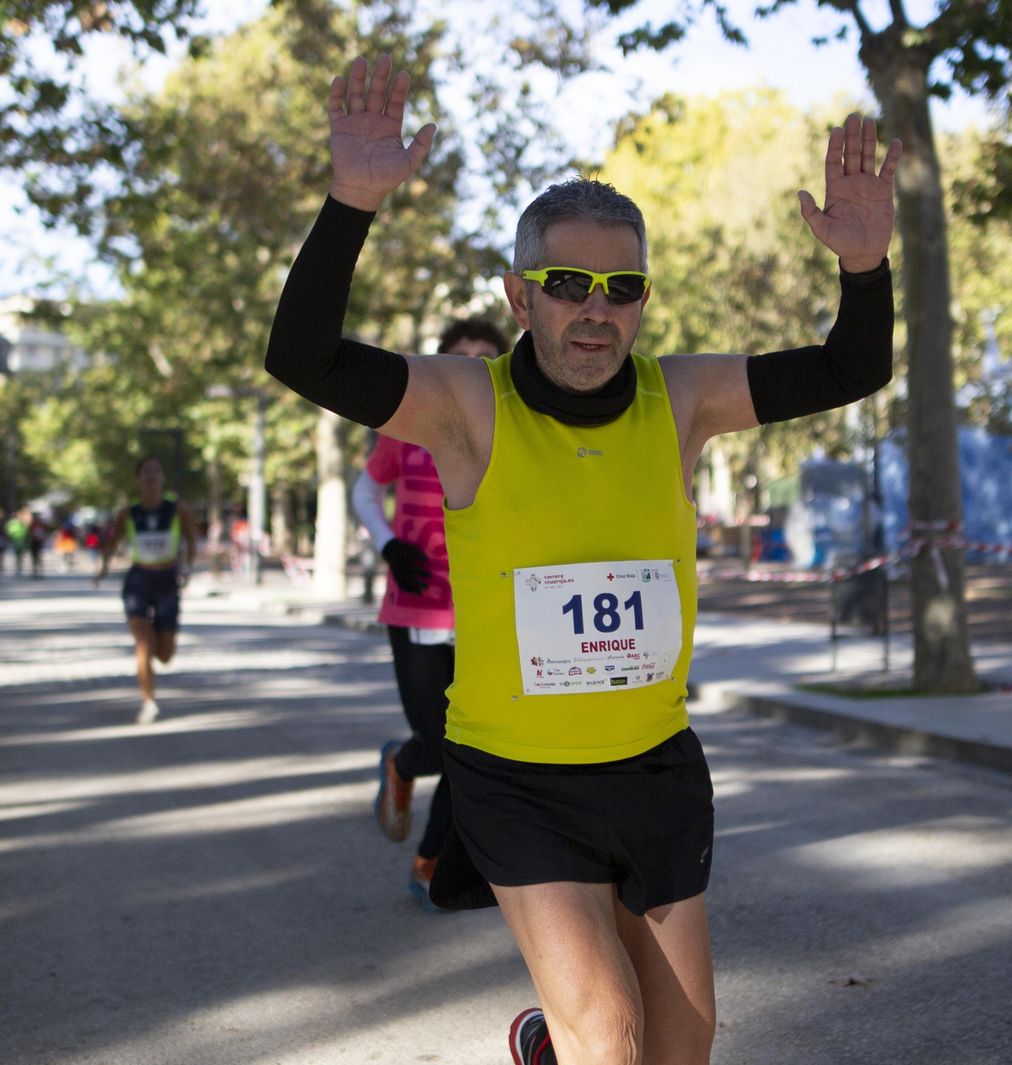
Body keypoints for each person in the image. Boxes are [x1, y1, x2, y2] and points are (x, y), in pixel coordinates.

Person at [265, 54, 899, 1065]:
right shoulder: (466, 406)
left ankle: (545, 1046)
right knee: (610, 1037)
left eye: (621, 288)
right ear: (520, 297)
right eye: (567, 285)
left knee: (679, 1049)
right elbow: (302, 357)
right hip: (518, 778)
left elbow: (850, 366)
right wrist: (350, 204)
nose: (595, 309)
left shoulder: (680, 398)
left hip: (654, 768)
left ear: (642, 301)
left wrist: (864, 268)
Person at [352, 316, 510, 908]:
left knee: (467, 750)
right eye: (460, 355)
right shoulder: (409, 424)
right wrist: (388, 545)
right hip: (417, 609)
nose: (473, 366)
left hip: (484, 609)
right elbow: (365, 491)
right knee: (441, 742)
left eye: (485, 356)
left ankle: (429, 865)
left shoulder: (513, 429)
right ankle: (401, 761)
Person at [96, 457, 198, 724]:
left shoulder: (177, 509)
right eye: (146, 471)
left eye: (156, 471)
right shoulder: (128, 513)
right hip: (139, 579)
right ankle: (148, 702)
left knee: (164, 655)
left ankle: (156, 640)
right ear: (138, 478)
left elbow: (191, 540)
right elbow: (113, 542)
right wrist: (102, 568)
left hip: (167, 580)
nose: (151, 476)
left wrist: (187, 568)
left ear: (163, 478)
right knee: (143, 643)